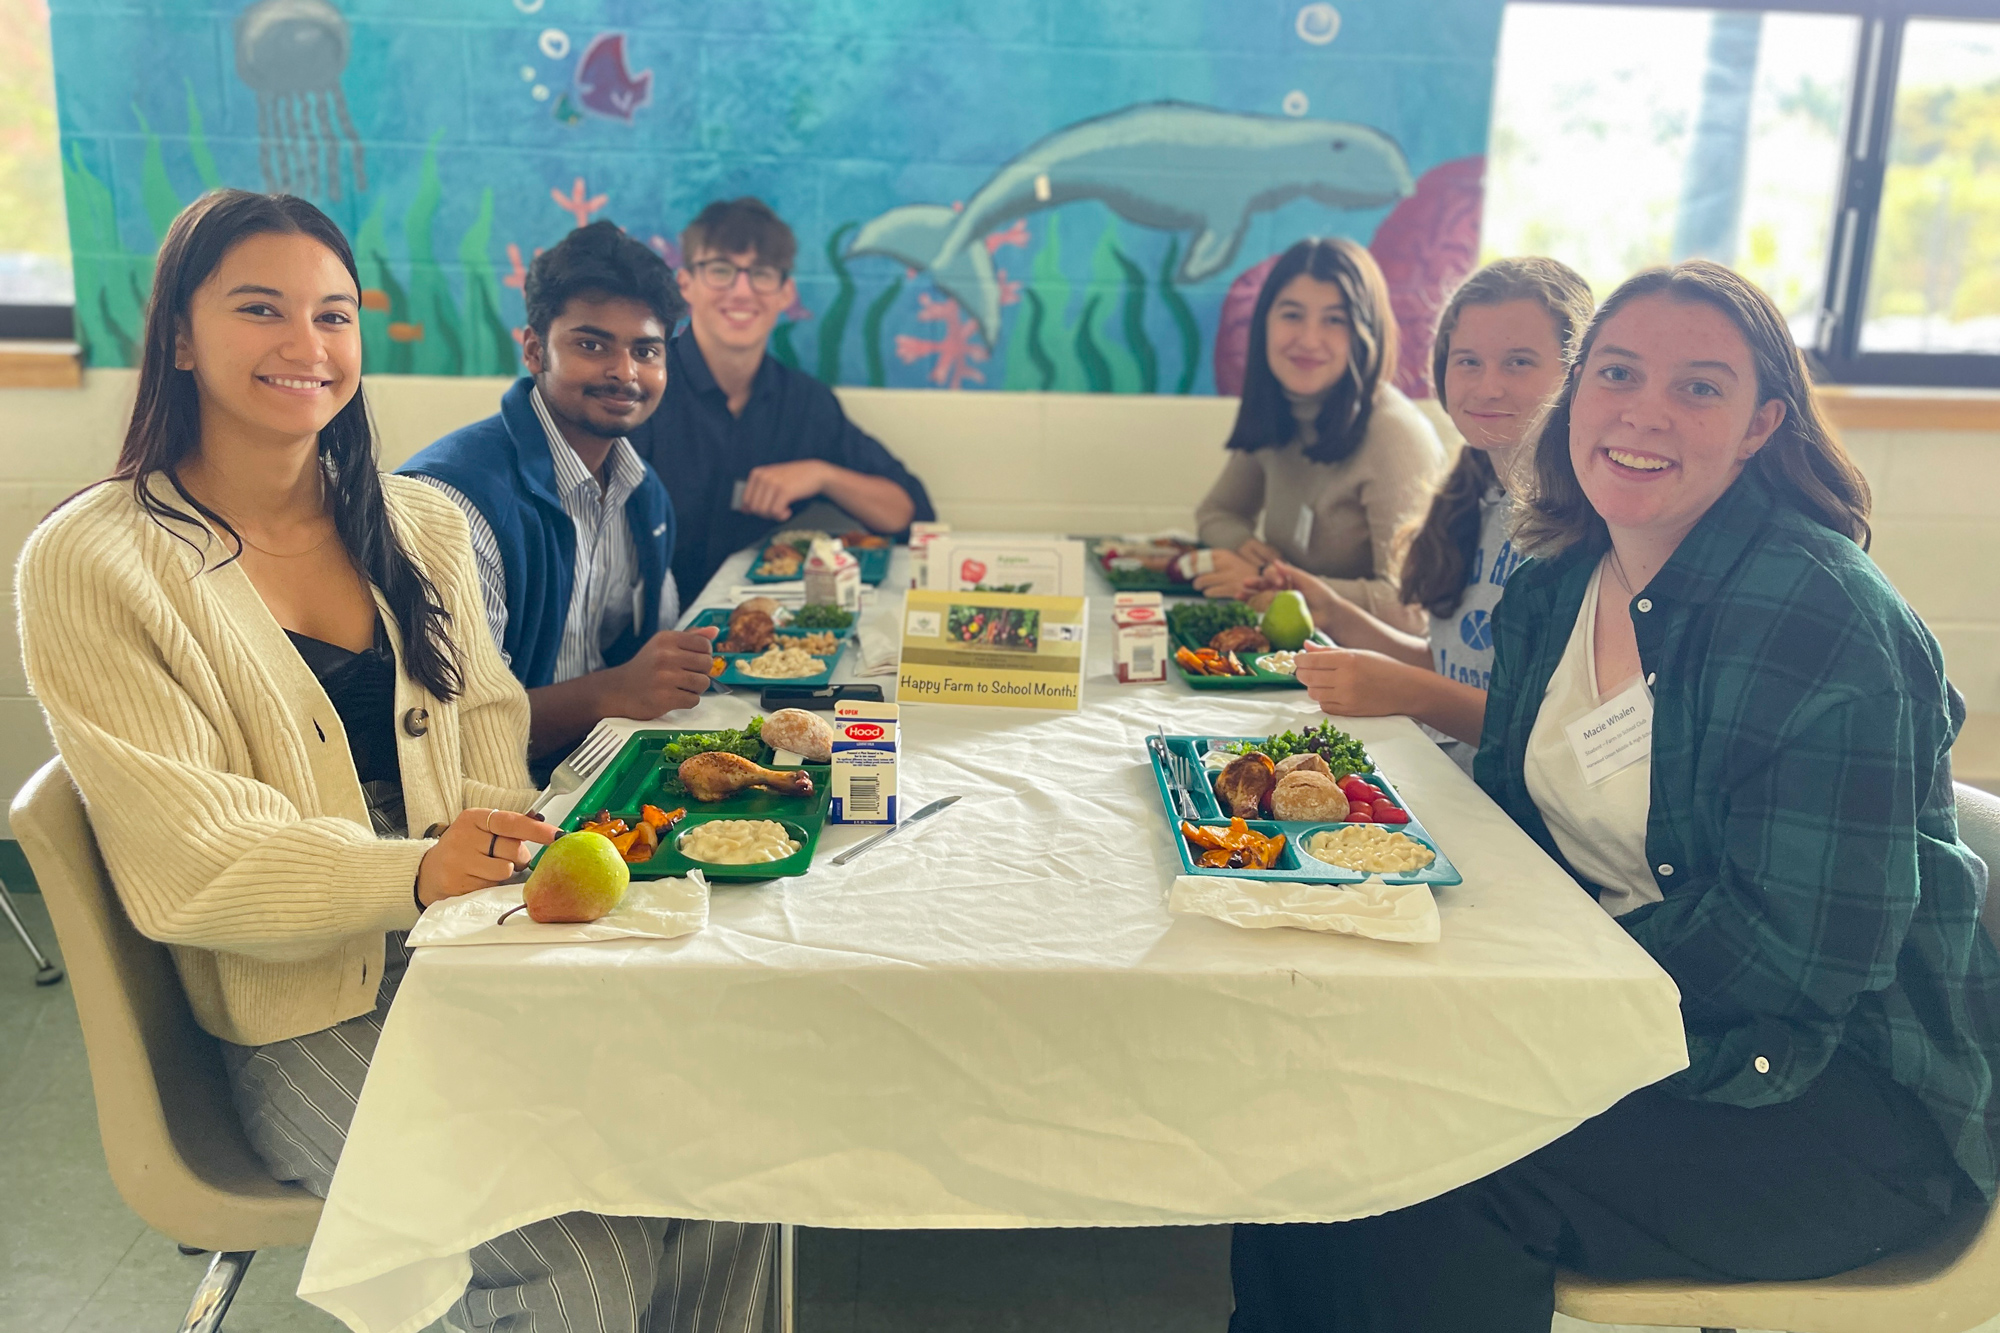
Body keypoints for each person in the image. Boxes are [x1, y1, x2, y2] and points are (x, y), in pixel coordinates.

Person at [16, 190, 769, 1332]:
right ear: (176, 331)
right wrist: (413, 871)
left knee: (737, 1158)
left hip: (471, 964)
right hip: (296, 1008)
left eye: (333, 315)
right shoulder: (94, 559)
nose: (306, 347)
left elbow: (485, 753)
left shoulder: (417, 523)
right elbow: (189, 862)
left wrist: (536, 890)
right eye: (260, 309)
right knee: (583, 1264)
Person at [1227, 260, 2000, 1332]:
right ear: (1575, 396)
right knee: (1305, 1089)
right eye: (1618, 374)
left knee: (1419, 1171)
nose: (1643, 413)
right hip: (1619, 1008)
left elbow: (1799, 955)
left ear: (1759, 424)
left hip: (1829, 1094)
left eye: (1698, 387)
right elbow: (1509, 828)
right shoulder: (1555, 578)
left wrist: (1535, 1001)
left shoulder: (1816, 619)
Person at [1246, 257, 1592, 767]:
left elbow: (1556, 733)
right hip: (1437, 778)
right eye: (1468, 361)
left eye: (1518, 362)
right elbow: (1455, 667)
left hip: (1506, 811)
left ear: (1575, 377)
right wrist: (1333, 613)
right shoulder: (1476, 500)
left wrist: (1411, 692)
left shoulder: (1587, 525)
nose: (1487, 386)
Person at [401, 221, 718, 763]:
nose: (625, 373)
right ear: (533, 350)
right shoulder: (453, 504)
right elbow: (448, 734)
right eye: (592, 344)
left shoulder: (643, 493)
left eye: (647, 351)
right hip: (492, 807)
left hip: (599, 769)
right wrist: (615, 692)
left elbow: (650, 656)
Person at [628, 197, 935, 598]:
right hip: (633, 640)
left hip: (752, 636)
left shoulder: (804, 404)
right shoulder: (642, 388)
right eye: (720, 270)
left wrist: (822, 474)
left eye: (762, 273)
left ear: (785, 292)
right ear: (686, 284)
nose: (742, 292)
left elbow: (908, 512)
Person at [1192, 237, 1446, 628]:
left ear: (1367, 333)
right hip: (1293, 652)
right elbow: (1216, 512)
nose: (1309, 339)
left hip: (1362, 673)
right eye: (1292, 315)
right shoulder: (1281, 406)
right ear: (1264, 324)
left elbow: (1412, 607)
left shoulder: (1395, 434)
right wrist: (1247, 551)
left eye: (1335, 320)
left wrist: (1274, 589)